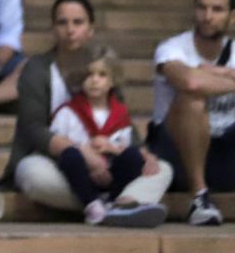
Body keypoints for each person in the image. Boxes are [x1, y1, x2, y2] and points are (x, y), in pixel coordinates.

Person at [4, 0, 173, 219]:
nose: (70, 29)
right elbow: (34, 130)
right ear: (53, 28)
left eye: (78, 22)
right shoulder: (37, 69)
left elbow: (121, 119)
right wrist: (83, 153)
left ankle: (112, 204)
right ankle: (112, 204)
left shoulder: (103, 66)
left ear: (90, 29)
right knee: (31, 173)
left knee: (162, 169)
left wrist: (144, 154)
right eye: (62, 22)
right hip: (57, 163)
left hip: (109, 165)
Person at [147, 0, 235, 226]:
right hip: (175, 153)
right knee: (192, 99)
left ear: (232, 15)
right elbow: (191, 82)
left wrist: (209, 73)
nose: (207, 16)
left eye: (217, 9)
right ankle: (199, 197)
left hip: (225, 150)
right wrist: (224, 75)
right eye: (202, 7)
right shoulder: (171, 48)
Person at [50, 45, 167, 226]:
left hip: (110, 174)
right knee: (69, 156)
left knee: (132, 157)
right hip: (82, 174)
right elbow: (57, 142)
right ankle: (92, 205)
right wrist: (86, 154)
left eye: (102, 75)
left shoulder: (120, 115)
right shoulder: (67, 112)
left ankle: (113, 202)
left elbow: (125, 146)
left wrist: (111, 148)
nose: (94, 80)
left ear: (112, 81)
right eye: (89, 75)